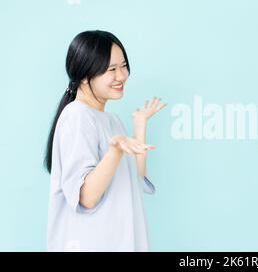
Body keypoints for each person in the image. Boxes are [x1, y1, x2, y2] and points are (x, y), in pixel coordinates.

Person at [44, 30, 166, 251]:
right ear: (84, 76)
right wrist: (115, 151)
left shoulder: (112, 120)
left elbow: (134, 181)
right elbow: (86, 197)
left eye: (123, 65)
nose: (122, 75)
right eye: (111, 69)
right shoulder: (77, 116)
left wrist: (139, 125)